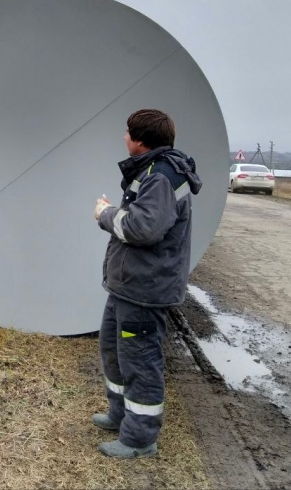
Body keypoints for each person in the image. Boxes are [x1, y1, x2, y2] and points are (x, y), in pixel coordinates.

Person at [92, 109, 202, 458]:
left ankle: (140, 439)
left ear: (139, 140)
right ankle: (121, 415)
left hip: (144, 289)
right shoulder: (152, 171)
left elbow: (142, 229)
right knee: (115, 351)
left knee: (139, 360)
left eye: (128, 133)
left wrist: (105, 214)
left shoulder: (161, 177)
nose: (124, 137)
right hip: (128, 285)